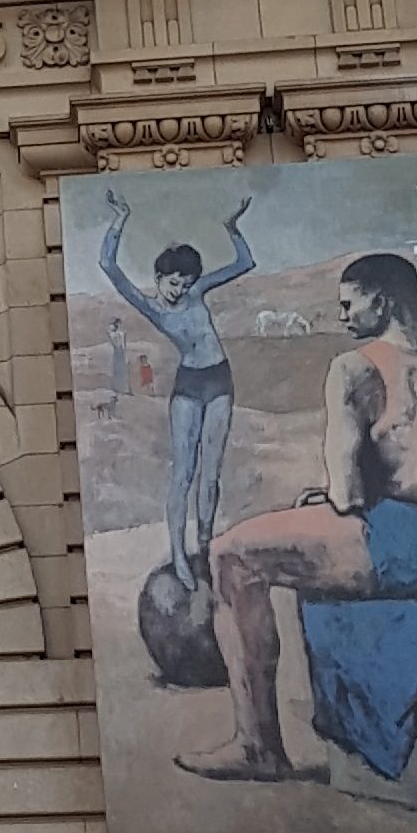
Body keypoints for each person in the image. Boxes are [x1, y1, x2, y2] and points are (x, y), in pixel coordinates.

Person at [181, 250, 417, 786]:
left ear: (383, 301)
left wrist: (326, 499)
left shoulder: (357, 369)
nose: (341, 315)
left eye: (349, 304)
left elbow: (347, 497)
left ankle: (258, 747)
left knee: (230, 555)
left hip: (413, 547)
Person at [97, 186, 256, 590]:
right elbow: (108, 265)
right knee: (183, 472)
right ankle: (179, 555)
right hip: (188, 385)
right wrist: (120, 219)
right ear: (159, 278)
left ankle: (204, 546)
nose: (180, 289)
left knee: (210, 473)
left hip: (219, 379)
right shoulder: (149, 305)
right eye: (173, 282)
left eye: (185, 283)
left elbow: (245, 262)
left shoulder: (198, 291)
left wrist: (232, 227)